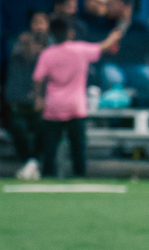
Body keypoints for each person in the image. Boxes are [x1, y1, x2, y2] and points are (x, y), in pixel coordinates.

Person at [32, 16, 121, 177]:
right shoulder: (80, 50)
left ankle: (48, 176)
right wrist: (114, 35)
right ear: (70, 33)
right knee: (78, 148)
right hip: (75, 106)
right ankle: (79, 176)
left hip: (53, 107)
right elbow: (103, 47)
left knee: (50, 149)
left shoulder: (47, 54)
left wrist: (39, 98)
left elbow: (38, 78)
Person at [5, 9, 51, 172]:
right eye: (35, 22)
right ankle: (28, 162)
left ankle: (35, 162)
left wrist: (41, 97)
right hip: (21, 101)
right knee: (17, 127)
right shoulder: (20, 45)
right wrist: (25, 46)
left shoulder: (52, 47)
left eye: (42, 22)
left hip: (46, 102)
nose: (38, 26)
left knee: (45, 129)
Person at [101, 0, 149, 106]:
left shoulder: (141, 27)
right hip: (115, 66)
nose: (107, 7)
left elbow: (148, 50)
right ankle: (116, 111)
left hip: (136, 65)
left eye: (111, 4)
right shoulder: (104, 26)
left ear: (122, 4)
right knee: (112, 75)